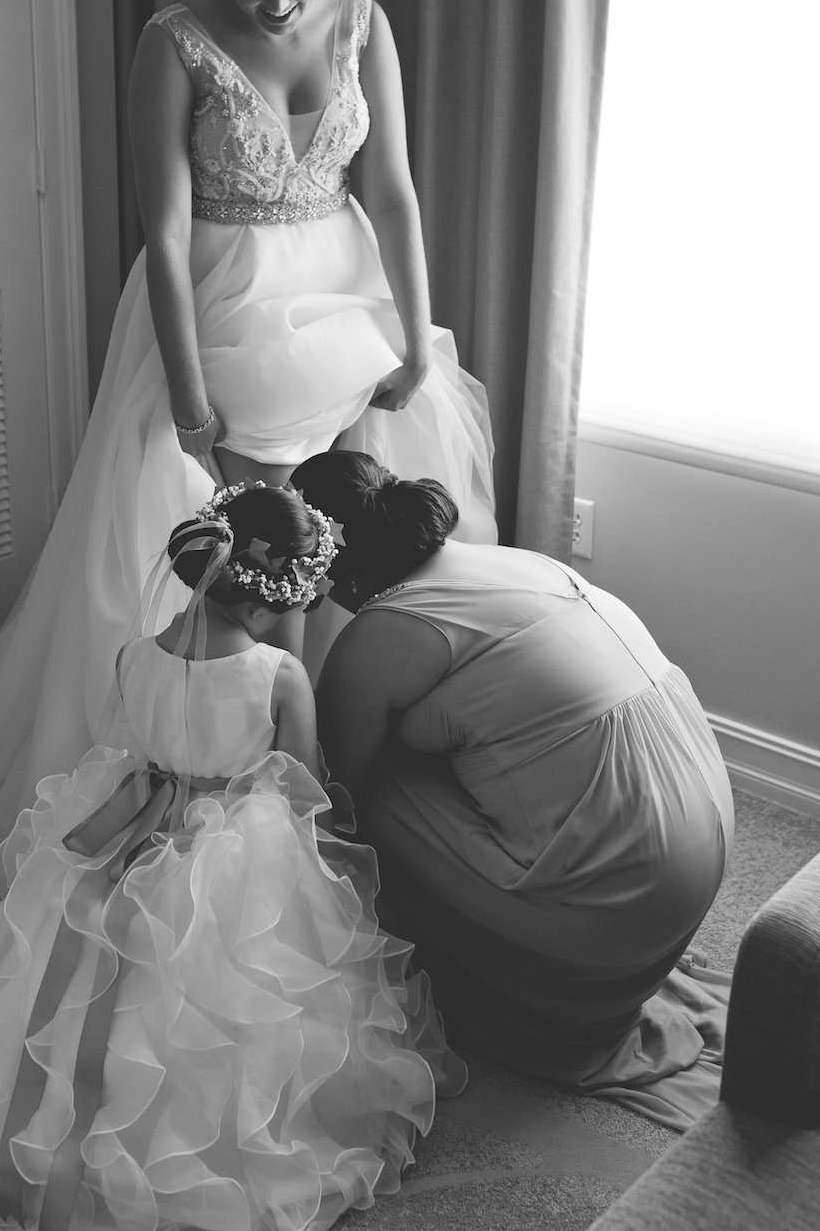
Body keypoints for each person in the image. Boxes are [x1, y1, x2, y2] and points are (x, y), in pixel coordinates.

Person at [0, 0, 494, 889]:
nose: (277, 3)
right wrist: (189, 400)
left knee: (345, 534)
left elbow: (397, 189)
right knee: (260, 553)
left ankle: (318, 761)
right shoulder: (172, 42)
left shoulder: (362, 20)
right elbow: (168, 231)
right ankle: (226, 791)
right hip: (223, 312)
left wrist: (417, 333)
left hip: (346, 305)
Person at [0, 482, 467, 1231]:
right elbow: (302, 784)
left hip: (127, 824)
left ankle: (50, 1118)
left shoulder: (132, 657)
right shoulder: (276, 676)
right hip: (230, 843)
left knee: (75, 964)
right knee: (235, 989)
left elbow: (127, 741)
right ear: (266, 605)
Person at [291, 450, 736, 1132]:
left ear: (336, 563)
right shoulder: (518, 561)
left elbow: (330, 796)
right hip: (704, 830)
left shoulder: (379, 635)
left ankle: (477, 961)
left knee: (364, 792)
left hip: (621, 898)